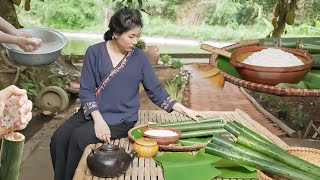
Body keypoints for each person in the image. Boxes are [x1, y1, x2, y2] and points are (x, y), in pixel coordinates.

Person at [50, 7, 202, 180]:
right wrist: (98, 121)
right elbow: (87, 90)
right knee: (59, 138)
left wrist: (185, 110)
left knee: (79, 139)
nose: (135, 41)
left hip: (120, 119)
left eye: (138, 36)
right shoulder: (94, 52)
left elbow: (157, 91)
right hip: (93, 113)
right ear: (115, 33)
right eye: (131, 36)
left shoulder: (140, 58)